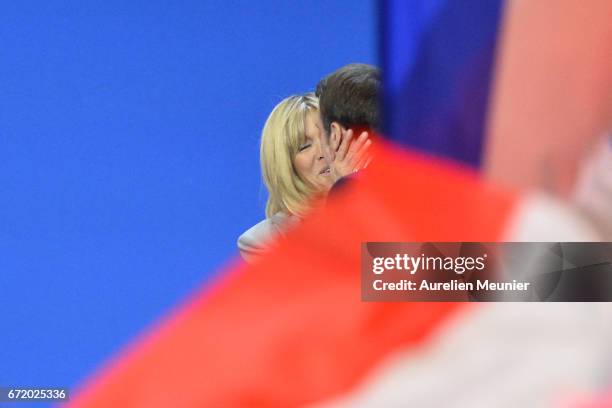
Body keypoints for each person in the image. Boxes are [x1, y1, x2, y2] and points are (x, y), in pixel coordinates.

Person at [237, 93, 333, 262]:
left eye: (329, 136)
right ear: (286, 165)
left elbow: (388, 286)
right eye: (304, 146)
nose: (323, 152)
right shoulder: (263, 242)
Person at [315, 63, 381, 183]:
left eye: (320, 132)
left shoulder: (349, 194)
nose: (320, 153)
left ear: (335, 134)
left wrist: (343, 188)